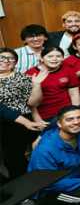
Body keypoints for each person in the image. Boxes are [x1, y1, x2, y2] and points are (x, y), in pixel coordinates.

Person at [0, 47, 45, 180]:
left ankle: (35, 183)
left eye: (11, 58)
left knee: (30, 154)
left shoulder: (24, 78)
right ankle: (18, 188)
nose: (6, 61)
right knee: (11, 157)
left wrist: (36, 85)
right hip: (5, 123)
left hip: (24, 119)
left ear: (15, 62)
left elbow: (33, 103)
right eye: (2, 57)